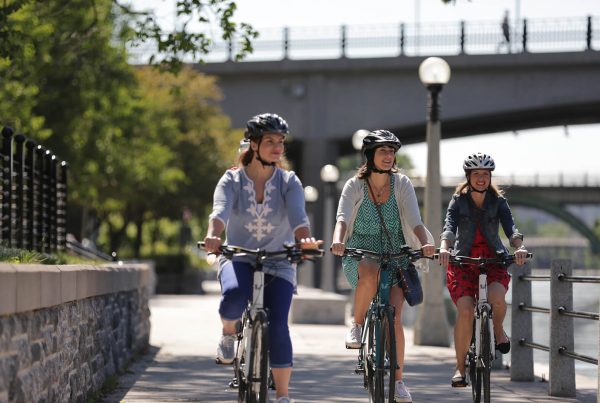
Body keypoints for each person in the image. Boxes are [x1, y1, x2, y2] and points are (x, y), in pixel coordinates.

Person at [204, 112, 321, 403]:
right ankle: (228, 332)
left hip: (279, 260)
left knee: (278, 325)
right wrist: (213, 235)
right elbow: (219, 212)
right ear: (254, 144)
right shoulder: (231, 179)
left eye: (281, 141)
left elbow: (299, 218)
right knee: (234, 295)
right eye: (270, 141)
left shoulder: (289, 181)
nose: (278, 147)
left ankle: (282, 396)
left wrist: (304, 240)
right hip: (238, 256)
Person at [330, 130, 435, 403]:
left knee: (395, 318)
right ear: (370, 155)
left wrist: (426, 243)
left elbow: (414, 219)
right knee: (369, 269)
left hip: (395, 255)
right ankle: (357, 324)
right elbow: (342, 218)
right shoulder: (354, 185)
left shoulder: (402, 184)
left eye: (391, 151)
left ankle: (398, 382)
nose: (389, 156)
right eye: (383, 151)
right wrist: (338, 240)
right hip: (360, 252)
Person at [437, 152, 528, 388]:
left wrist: (519, 247)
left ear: (490, 177)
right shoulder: (458, 201)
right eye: (476, 174)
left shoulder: (499, 202)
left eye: (485, 174)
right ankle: (460, 368)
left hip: (492, 260)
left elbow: (511, 229)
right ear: (468, 177)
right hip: (464, 262)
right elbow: (449, 228)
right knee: (466, 311)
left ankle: (497, 330)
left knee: (497, 298)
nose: (481, 178)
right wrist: (444, 248)